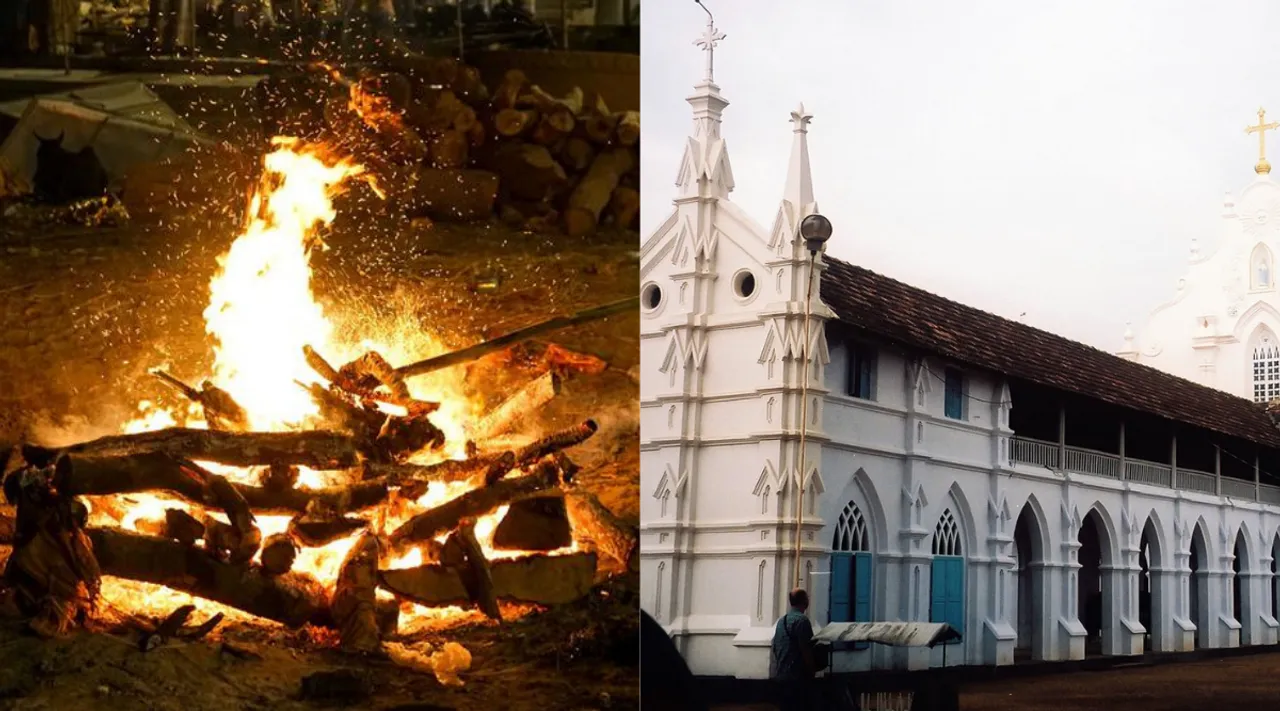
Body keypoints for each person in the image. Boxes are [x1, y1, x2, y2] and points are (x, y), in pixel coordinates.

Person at [770, 588, 817, 711]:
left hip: (781, 675)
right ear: (804, 601)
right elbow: (806, 649)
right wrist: (812, 670)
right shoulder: (802, 621)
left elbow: (775, 646)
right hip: (797, 678)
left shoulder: (782, 621)